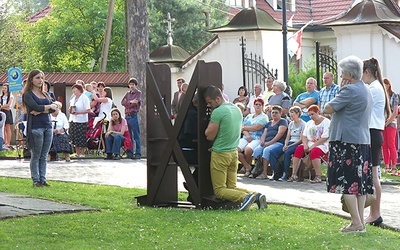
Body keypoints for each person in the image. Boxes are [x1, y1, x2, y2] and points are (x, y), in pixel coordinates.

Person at [324, 55, 373, 233]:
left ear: (350, 75)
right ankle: (359, 223)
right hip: (362, 140)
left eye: (343, 73)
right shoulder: (365, 89)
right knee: (359, 185)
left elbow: (327, 108)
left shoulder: (349, 90)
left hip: (346, 141)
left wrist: (339, 93)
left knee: (346, 183)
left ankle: (356, 223)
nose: (341, 76)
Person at [204, 85, 267, 211]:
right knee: (232, 186)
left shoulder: (218, 112)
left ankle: (245, 198)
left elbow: (209, 135)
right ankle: (257, 196)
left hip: (220, 153)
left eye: (209, 102)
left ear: (217, 99)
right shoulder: (236, 109)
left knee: (220, 190)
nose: (208, 106)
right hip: (233, 152)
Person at [362, 57, 391, 227]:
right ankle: (374, 213)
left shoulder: (373, 89)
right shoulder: (376, 87)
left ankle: (375, 213)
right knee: (373, 174)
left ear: (367, 72)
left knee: (373, 175)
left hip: (372, 132)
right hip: (374, 132)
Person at [22, 69, 59, 187]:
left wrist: (44, 109)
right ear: (31, 80)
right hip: (36, 127)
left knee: (44, 155)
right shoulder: (27, 94)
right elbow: (36, 107)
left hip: (48, 126)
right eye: (37, 78)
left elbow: (54, 108)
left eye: (42, 78)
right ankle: (36, 180)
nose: (40, 80)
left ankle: (43, 179)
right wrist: (47, 107)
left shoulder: (45, 94)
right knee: (36, 154)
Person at [287, 105, 330, 183]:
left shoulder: (326, 122)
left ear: (318, 112)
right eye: (309, 115)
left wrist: (313, 146)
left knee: (315, 151)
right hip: (310, 143)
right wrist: (305, 145)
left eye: (312, 114)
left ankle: (318, 176)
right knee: (299, 149)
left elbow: (325, 138)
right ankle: (294, 174)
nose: (311, 117)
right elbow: (304, 135)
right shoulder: (309, 123)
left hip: (322, 144)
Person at [251, 105, 288, 180]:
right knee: (257, 150)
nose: (274, 114)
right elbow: (264, 133)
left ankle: (265, 173)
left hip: (278, 143)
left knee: (267, 150)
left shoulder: (283, 121)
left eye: (276, 113)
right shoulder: (269, 123)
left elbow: (280, 134)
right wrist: (262, 140)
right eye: (272, 112)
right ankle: (257, 170)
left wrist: (270, 143)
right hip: (267, 142)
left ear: (280, 113)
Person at [269, 106, 306, 181]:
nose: (291, 115)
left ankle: (285, 174)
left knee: (287, 152)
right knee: (272, 152)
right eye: (290, 113)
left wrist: (289, 146)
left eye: (293, 112)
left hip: (297, 143)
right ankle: (276, 172)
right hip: (289, 143)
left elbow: (301, 139)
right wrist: (286, 144)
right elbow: (288, 137)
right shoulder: (291, 124)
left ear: (298, 113)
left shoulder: (303, 124)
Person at [237, 98, 268, 177]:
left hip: (257, 138)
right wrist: (247, 134)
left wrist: (245, 128)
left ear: (262, 106)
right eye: (256, 104)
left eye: (259, 105)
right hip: (246, 137)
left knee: (248, 150)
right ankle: (247, 166)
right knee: (235, 149)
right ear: (253, 106)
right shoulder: (249, 116)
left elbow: (257, 127)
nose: (257, 106)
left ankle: (246, 168)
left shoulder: (264, 117)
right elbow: (242, 127)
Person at [121, 77, 142, 159]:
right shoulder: (127, 93)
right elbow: (122, 102)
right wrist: (130, 102)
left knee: (136, 135)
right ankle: (129, 152)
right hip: (127, 116)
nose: (131, 86)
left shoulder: (138, 93)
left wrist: (128, 103)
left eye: (133, 84)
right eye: (130, 84)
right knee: (128, 135)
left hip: (133, 115)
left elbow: (136, 102)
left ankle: (137, 153)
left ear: (135, 85)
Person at [69, 83, 91, 158]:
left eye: (75, 90)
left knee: (81, 136)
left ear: (79, 90)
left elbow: (88, 109)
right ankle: (77, 152)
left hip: (81, 119)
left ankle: (82, 152)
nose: (74, 91)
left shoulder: (84, 98)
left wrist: (79, 112)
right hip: (73, 119)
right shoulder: (73, 98)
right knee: (74, 136)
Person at [382, 78, 398, 173]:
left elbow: (395, 112)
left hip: (391, 123)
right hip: (382, 122)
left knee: (391, 144)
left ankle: (394, 166)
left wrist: (387, 122)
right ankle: (387, 166)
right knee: (384, 145)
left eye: (386, 84)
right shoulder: (382, 95)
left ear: (389, 85)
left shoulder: (394, 96)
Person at [1, 83, 14, 149]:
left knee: (7, 128)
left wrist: (2, 107)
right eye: (3, 88)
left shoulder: (11, 96)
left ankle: (8, 142)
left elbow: (8, 105)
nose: (4, 89)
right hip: (2, 112)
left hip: (7, 112)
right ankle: (4, 142)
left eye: (5, 88)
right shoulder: (1, 96)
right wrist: (3, 107)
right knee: (3, 128)